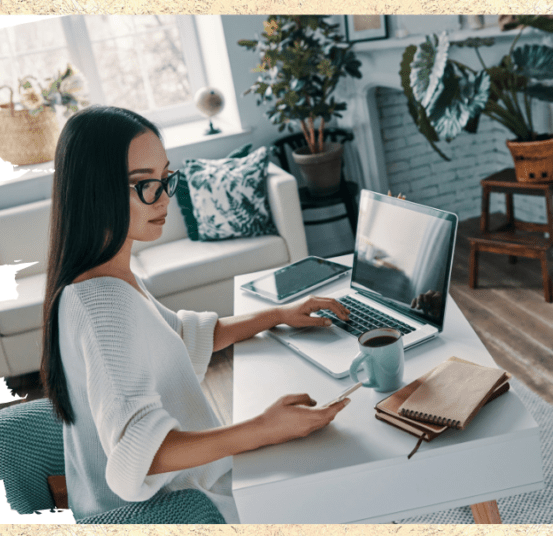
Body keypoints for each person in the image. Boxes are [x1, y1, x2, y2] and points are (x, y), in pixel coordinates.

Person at [39, 106, 352, 523]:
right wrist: (263, 428)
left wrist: (278, 314)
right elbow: (141, 456)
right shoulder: (101, 306)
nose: (165, 197)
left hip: (193, 490)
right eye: (144, 184)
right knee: (342, 471)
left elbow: (184, 337)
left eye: (165, 178)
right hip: (184, 510)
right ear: (95, 190)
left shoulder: (106, 279)